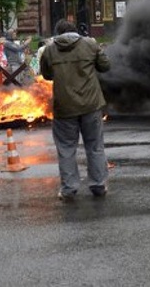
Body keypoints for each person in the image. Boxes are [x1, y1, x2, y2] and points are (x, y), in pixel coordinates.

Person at [40, 19, 111, 200]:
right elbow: (105, 66)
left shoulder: (50, 50)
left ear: (57, 33)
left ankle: (69, 189)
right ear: (75, 30)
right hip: (90, 105)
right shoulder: (89, 44)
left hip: (64, 107)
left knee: (66, 149)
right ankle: (98, 185)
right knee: (95, 146)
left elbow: (47, 75)